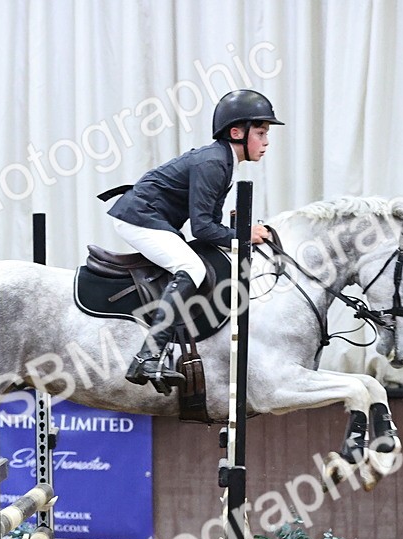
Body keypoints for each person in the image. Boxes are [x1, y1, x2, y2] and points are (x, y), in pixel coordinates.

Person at [107, 89, 282, 392]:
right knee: (192, 267)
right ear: (236, 132)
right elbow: (202, 229)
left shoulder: (224, 163)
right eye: (262, 132)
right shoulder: (214, 163)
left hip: (151, 217)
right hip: (137, 216)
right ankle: (148, 355)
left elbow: (209, 224)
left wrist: (237, 233)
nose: (266, 141)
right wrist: (245, 236)